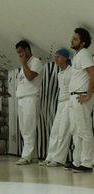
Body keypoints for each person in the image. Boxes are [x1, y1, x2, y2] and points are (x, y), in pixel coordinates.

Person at [38, 48, 72, 167]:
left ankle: (59, 159)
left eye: (58, 57)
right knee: (55, 131)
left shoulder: (71, 71)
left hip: (69, 102)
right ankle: (50, 157)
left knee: (63, 131)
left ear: (65, 58)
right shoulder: (59, 73)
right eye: (55, 57)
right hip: (61, 103)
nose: (55, 59)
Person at [68, 28, 94, 173]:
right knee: (76, 131)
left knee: (84, 130)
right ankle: (77, 161)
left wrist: (88, 95)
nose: (72, 40)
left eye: (76, 39)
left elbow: (93, 74)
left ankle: (87, 163)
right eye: (72, 38)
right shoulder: (77, 55)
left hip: (81, 96)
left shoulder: (84, 54)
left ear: (83, 43)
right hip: (74, 97)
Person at [15, 40, 43, 165]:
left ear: (27, 50)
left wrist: (23, 63)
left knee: (29, 127)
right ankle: (33, 155)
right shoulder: (24, 64)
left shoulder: (35, 62)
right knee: (23, 128)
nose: (19, 55)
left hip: (30, 98)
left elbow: (30, 77)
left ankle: (26, 156)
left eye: (21, 52)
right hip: (21, 98)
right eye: (18, 53)